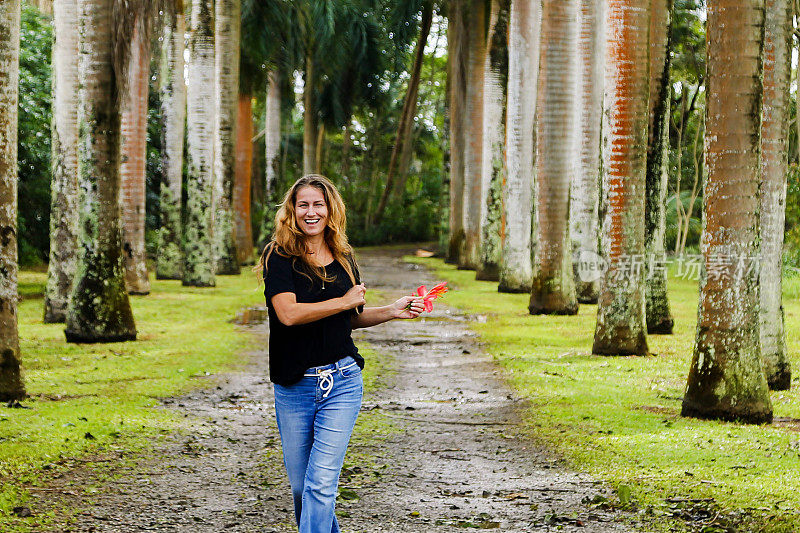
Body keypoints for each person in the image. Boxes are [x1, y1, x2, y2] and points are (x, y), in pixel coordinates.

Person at [256, 175, 425, 533]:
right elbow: (288, 314)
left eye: (319, 204)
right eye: (303, 204)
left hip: (342, 382)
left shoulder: (345, 257)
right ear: (292, 210)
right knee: (303, 488)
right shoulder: (279, 255)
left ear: (330, 209)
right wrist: (343, 301)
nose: (311, 212)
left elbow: (350, 319)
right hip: (294, 385)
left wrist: (392, 310)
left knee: (320, 485)